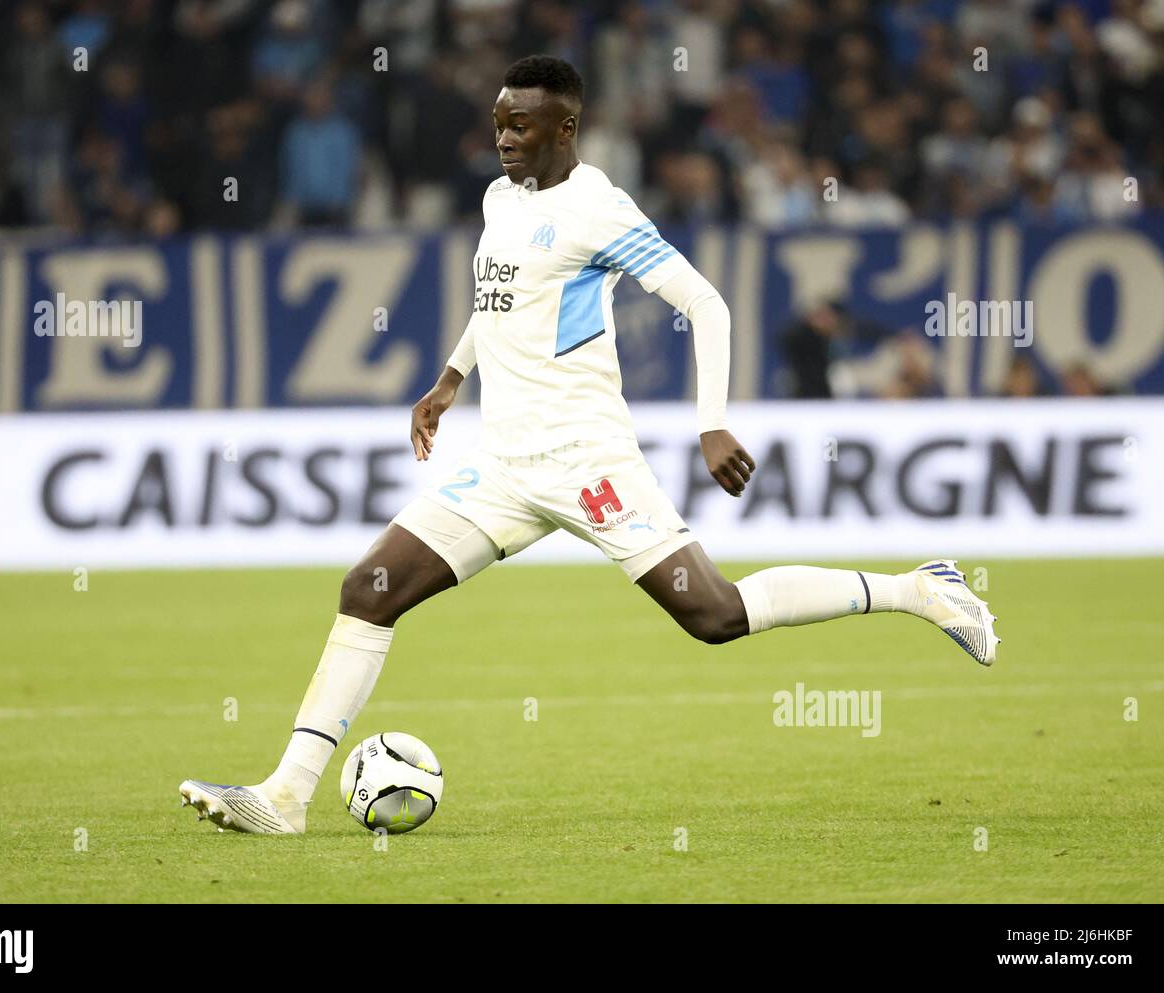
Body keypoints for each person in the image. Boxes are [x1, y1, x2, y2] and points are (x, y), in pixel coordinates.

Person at [180, 55, 999, 835]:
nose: (504, 139)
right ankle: (286, 795)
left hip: (588, 462)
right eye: (499, 123)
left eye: (521, 127)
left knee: (714, 616)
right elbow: (497, 301)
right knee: (368, 587)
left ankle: (919, 590)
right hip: (503, 467)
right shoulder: (504, 200)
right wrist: (450, 377)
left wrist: (711, 421)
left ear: (565, 129)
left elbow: (706, 304)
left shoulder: (600, 211)